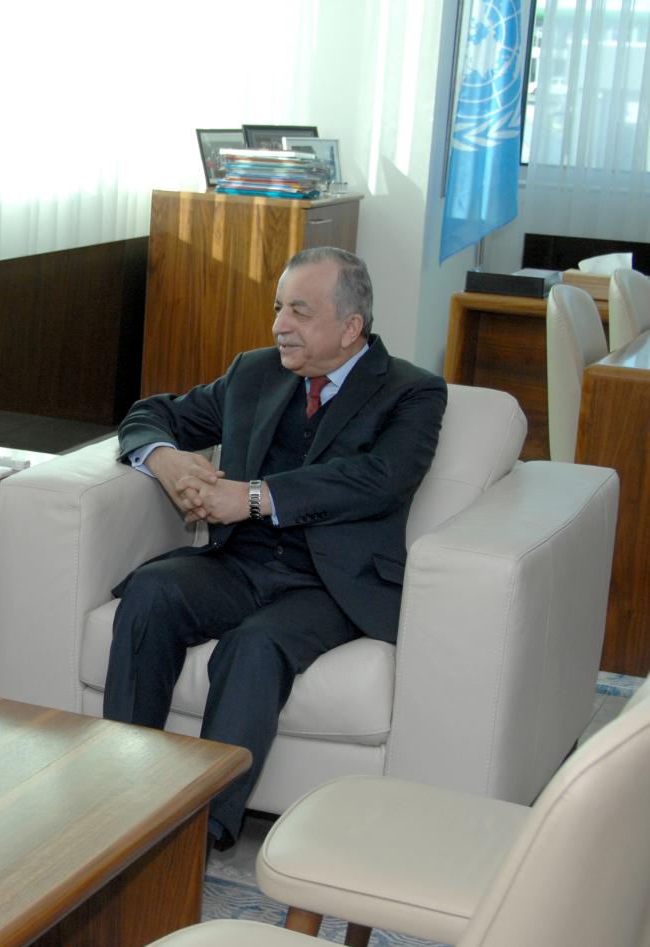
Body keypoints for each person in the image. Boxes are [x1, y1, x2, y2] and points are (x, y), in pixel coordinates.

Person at [102, 247, 447, 852]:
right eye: (278, 307)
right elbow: (150, 413)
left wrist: (254, 497)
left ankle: (199, 834)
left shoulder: (411, 392)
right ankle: (122, 797)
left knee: (254, 647)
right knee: (154, 591)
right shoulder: (255, 372)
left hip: (328, 585)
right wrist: (164, 458)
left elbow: (380, 479)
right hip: (239, 564)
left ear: (350, 327)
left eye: (299, 312)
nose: (279, 325)